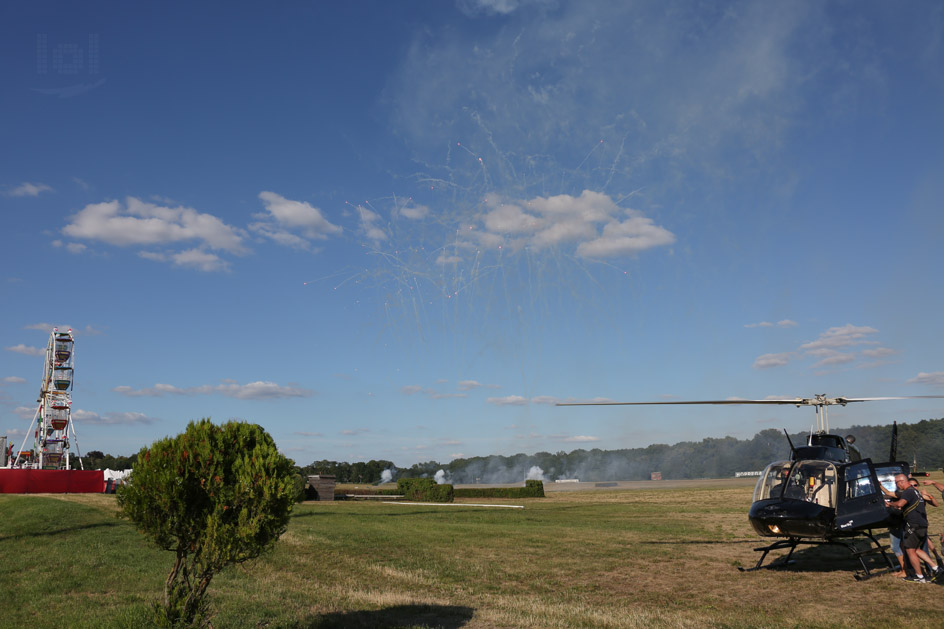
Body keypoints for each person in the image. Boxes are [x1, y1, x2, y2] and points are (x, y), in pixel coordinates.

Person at [888, 474, 943, 582]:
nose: (896, 485)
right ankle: (936, 568)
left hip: (913, 526)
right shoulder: (916, 492)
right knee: (916, 549)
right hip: (922, 525)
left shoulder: (908, 492)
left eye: (896, 483)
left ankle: (920, 577)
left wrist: (889, 504)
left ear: (902, 481)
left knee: (909, 550)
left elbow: (900, 504)